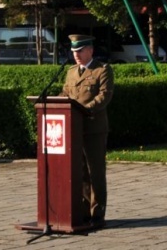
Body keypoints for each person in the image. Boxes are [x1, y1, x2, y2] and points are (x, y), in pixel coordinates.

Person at [59, 34, 114, 229]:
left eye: (80, 51)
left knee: (95, 171)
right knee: (80, 172)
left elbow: (104, 96)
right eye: (74, 51)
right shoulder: (72, 72)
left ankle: (97, 213)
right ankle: (83, 212)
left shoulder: (102, 70)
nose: (76, 55)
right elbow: (65, 94)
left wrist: (85, 110)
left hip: (94, 129)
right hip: (74, 129)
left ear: (90, 50)